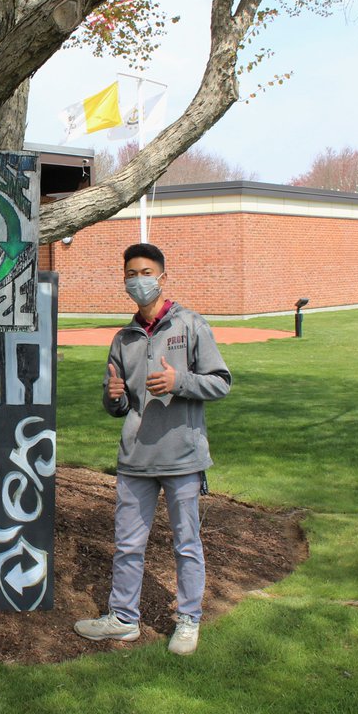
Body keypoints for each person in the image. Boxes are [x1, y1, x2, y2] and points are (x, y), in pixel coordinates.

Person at [74, 243, 232, 656]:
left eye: (145, 272)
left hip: (182, 457)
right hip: (135, 459)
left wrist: (179, 382)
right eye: (130, 273)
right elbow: (118, 406)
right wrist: (113, 397)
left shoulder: (191, 325)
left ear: (162, 276)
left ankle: (188, 619)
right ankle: (123, 618)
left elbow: (220, 382)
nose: (137, 280)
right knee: (127, 544)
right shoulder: (123, 339)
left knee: (186, 543)